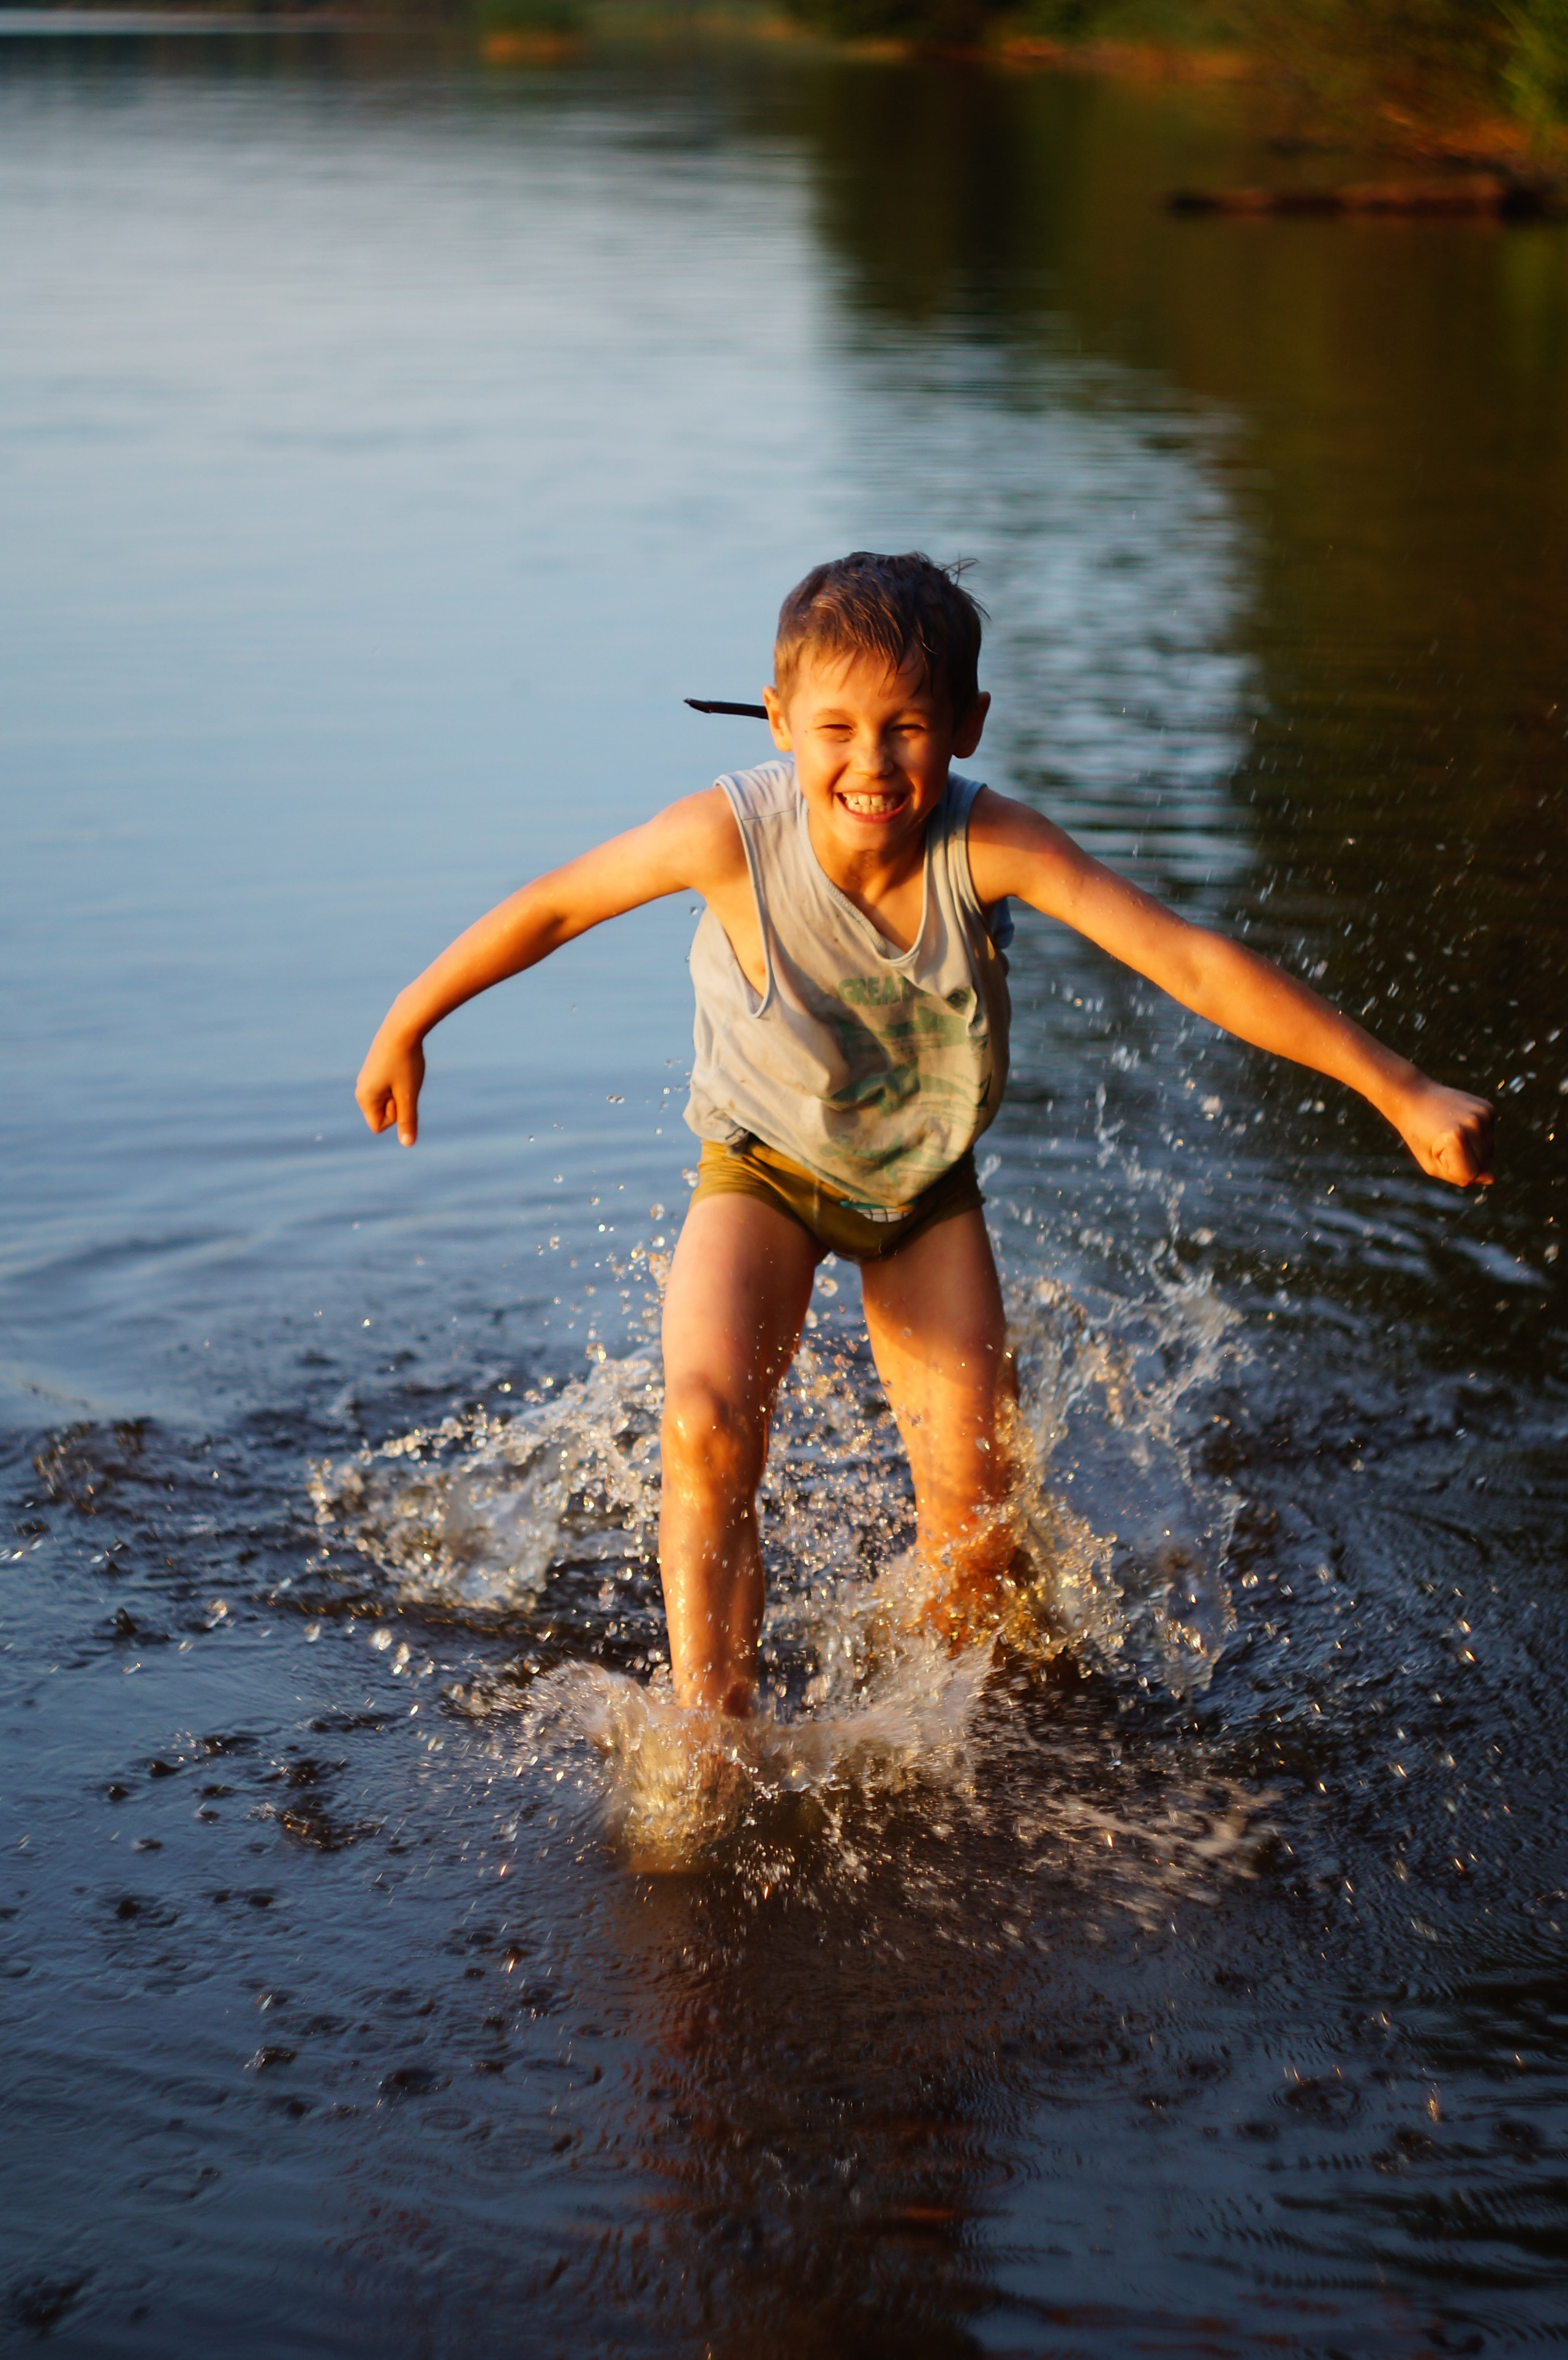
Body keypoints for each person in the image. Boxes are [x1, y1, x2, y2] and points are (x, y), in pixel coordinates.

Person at [355, 551, 1494, 1717]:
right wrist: (410, 1020)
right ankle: (712, 1733)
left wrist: (1398, 1089)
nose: (872, 760)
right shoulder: (726, 838)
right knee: (701, 1424)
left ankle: (945, 1727)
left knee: (976, 1530)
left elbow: (1189, 960)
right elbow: (553, 903)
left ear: (966, 725)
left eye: (907, 726)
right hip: (760, 1172)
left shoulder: (991, 847)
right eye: (838, 727)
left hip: (926, 1197)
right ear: (781, 720)